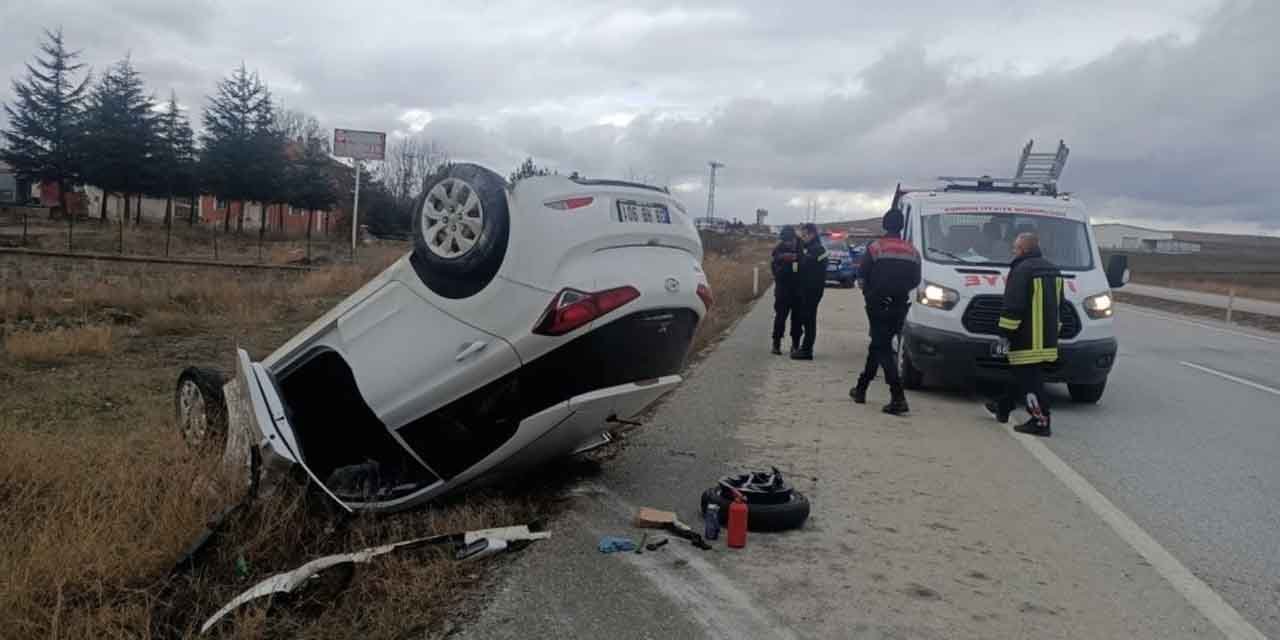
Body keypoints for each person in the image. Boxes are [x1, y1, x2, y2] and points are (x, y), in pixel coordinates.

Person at [986, 232, 1062, 437]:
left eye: (1015, 248)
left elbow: (1013, 305)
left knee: (1031, 382)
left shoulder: (1021, 270)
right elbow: (1060, 304)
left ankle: (1041, 421)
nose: (1013, 251)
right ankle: (1003, 405)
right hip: (1047, 338)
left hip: (1026, 338)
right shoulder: (1054, 270)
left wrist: (1004, 333)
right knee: (1020, 374)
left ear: (1023, 250)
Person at [849, 208, 921, 415]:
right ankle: (861, 388)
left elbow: (861, 275)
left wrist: (870, 294)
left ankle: (898, 397)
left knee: (882, 347)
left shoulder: (875, 248)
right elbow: (915, 280)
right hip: (899, 306)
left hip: (877, 304)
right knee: (879, 344)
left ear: (884, 224)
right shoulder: (912, 251)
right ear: (902, 226)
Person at [790, 223, 828, 360]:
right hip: (807, 288)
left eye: (804, 235)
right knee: (806, 318)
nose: (803, 237)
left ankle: (807, 350)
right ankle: (805, 348)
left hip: (812, 289)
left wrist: (798, 259)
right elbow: (797, 268)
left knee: (809, 320)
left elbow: (805, 265)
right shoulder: (810, 248)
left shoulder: (817, 250)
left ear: (812, 234)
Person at [770, 226, 802, 355]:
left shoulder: (801, 247)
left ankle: (795, 345)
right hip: (783, 289)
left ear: (794, 238)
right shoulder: (778, 250)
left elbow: (808, 262)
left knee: (797, 319)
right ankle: (776, 343)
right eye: (786, 241)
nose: (788, 243)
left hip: (798, 290)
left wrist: (797, 258)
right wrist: (784, 260)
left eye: (790, 241)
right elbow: (775, 271)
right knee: (780, 317)